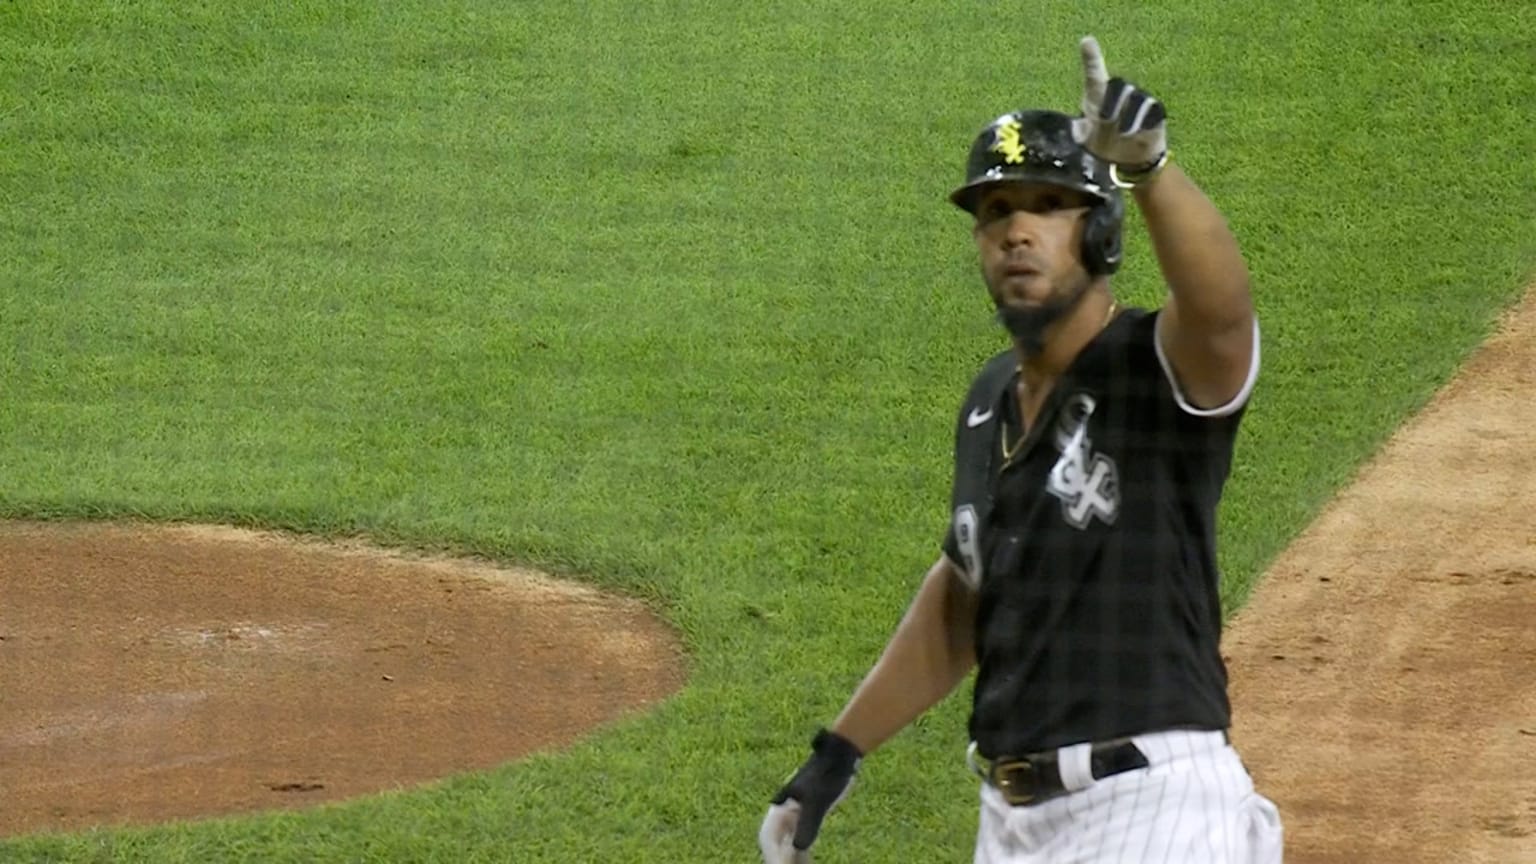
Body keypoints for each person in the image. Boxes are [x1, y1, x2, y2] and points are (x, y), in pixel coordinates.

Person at [758, 36, 1283, 864]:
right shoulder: (989, 401)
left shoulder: (1156, 370)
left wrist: (1148, 171)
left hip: (1154, 807)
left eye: (1046, 205)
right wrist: (839, 751)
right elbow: (966, 593)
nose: (1015, 232)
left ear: (1102, 232)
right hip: (1012, 822)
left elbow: (1223, 312)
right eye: (996, 213)